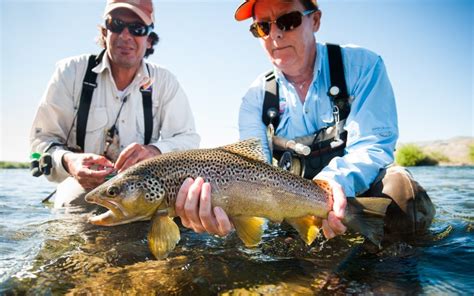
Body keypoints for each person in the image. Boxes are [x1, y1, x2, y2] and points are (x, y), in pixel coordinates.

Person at [174, 0, 435, 243]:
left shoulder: (363, 66)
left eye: (288, 21)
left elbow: (372, 145)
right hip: (291, 200)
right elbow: (252, 168)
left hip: (357, 189)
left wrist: (333, 187)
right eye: (262, 27)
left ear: (316, 20)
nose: (275, 34)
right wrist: (230, 209)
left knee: (401, 191)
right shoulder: (254, 98)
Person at [30, 0, 200, 208]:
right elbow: (39, 146)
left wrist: (155, 150)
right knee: (72, 206)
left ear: (149, 40)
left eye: (137, 29)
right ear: (104, 32)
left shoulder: (165, 81)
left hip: (145, 188)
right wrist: (68, 161)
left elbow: (189, 139)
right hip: (82, 189)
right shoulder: (70, 72)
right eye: (116, 25)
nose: (125, 36)